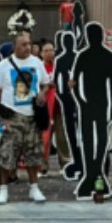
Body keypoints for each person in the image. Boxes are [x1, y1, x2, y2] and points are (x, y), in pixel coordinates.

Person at [0, 31, 52, 205]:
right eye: (23, 44)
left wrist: (42, 94)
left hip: (32, 117)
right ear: (15, 46)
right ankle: (3, 189)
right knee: (7, 154)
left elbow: (46, 83)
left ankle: (34, 188)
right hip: (11, 117)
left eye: (29, 44)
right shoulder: (3, 66)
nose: (28, 47)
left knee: (33, 154)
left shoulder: (36, 62)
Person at [40, 40, 70, 174]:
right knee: (44, 138)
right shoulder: (39, 67)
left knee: (62, 138)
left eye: (51, 50)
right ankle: (42, 165)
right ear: (41, 53)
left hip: (60, 106)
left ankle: (65, 163)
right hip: (46, 107)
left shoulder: (59, 64)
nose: (49, 53)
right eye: (46, 51)